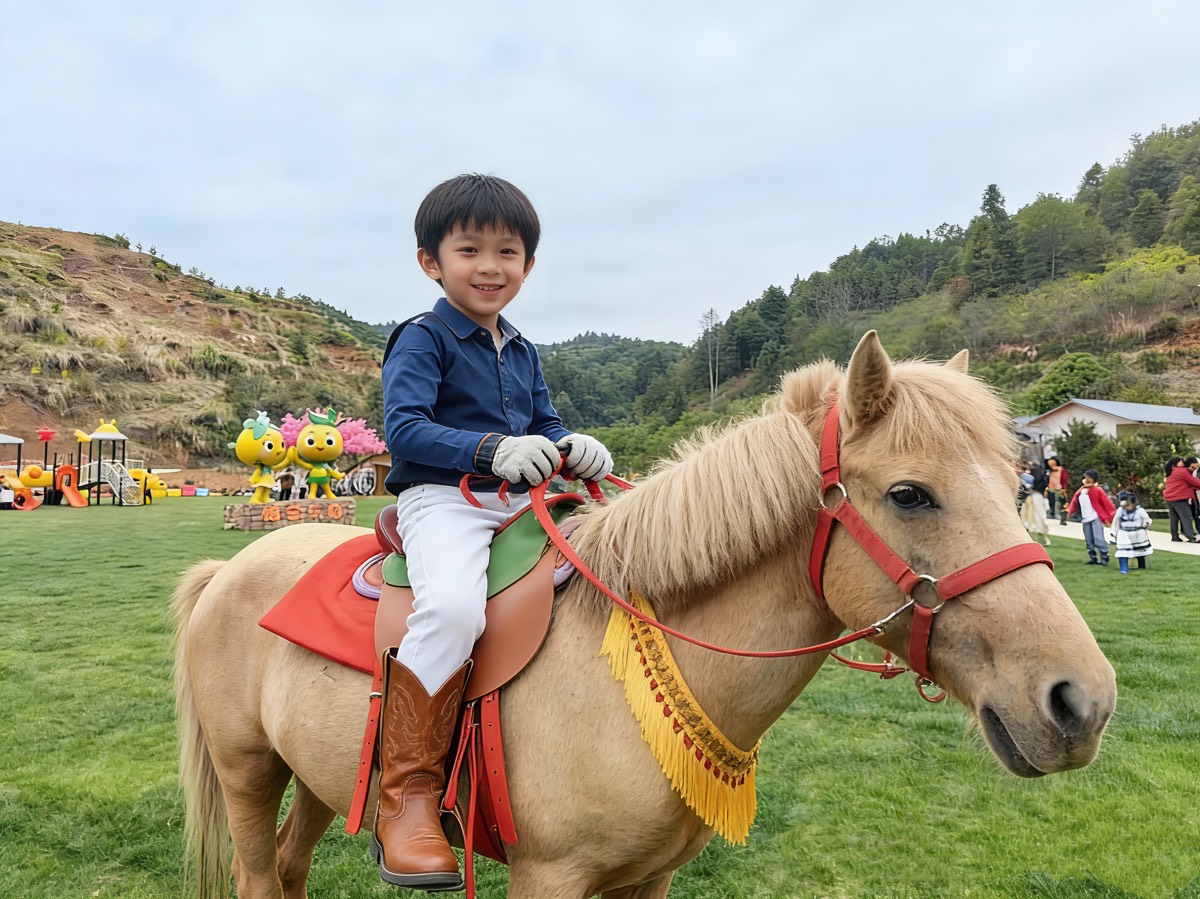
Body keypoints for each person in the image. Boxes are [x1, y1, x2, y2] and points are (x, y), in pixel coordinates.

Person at [374, 174, 614, 890]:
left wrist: (571, 445)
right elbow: (405, 429)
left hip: (516, 497)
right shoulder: (422, 338)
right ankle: (408, 797)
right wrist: (489, 450)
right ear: (431, 262)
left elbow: (543, 423)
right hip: (443, 499)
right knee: (452, 608)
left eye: (507, 252)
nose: (489, 266)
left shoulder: (522, 348)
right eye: (469, 249)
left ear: (527, 266)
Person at [1067, 469, 1116, 565]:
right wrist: (1070, 511)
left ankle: (1104, 557)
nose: (1086, 479)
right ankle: (1093, 557)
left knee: (1098, 538)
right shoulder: (1081, 490)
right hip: (1085, 518)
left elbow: (1107, 503)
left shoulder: (1097, 490)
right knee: (1088, 539)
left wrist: (1112, 515)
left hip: (1095, 517)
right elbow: (1074, 501)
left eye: (1088, 477)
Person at [1110, 490, 1153, 574]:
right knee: (1123, 552)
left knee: (1140, 550)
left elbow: (1147, 519)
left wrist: (1147, 523)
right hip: (1124, 534)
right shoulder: (1120, 510)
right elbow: (1116, 521)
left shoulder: (1140, 510)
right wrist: (1114, 532)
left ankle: (1141, 566)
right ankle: (1123, 569)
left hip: (1138, 534)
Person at [1162, 456, 1200, 543]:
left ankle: (1175, 536)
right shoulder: (1183, 471)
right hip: (1179, 498)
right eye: (1180, 461)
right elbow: (1195, 482)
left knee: (1174, 518)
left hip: (1169, 498)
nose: (1183, 461)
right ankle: (1191, 537)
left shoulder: (1173, 471)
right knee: (1187, 517)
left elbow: (1186, 484)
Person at [1020, 461, 1050, 546]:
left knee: (1036, 516)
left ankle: (1039, 535)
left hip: (1034, 496)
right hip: (1033, 496)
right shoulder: (1037, 473)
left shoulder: (1035, 473)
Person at [1045, 456, 1069, 524]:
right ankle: (1051, 513)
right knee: (1050, 501)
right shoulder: (1049, 470)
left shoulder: (1060, 469)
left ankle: (1058, 515)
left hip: (1059, 488)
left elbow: (1064, 478)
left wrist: (1064, 488)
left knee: (1058, 502)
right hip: (1050, 488)